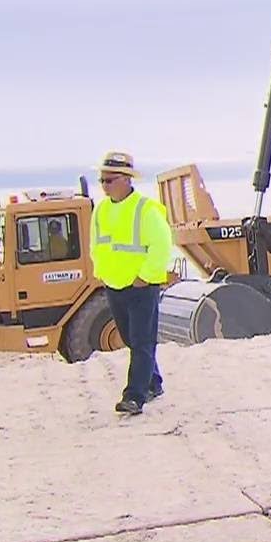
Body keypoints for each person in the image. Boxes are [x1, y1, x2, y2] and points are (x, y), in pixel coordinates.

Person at [89, 151, 173, 416]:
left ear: (126, 179)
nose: (104, 186)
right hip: (114, 285)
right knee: (132, 339)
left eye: (109, 180)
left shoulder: (145, 209)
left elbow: (161, 246)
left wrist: (145, 277)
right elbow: (97, 243)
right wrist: (101, 272)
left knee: (141, 341)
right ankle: (153, 382)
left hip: (141, 288)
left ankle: (134, 396)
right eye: (102, 180)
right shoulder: (101, 209)